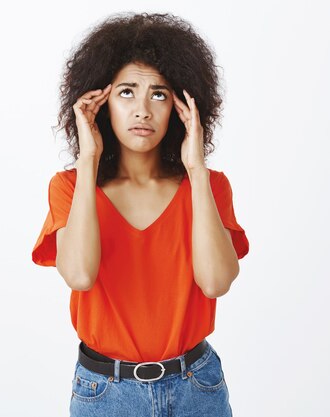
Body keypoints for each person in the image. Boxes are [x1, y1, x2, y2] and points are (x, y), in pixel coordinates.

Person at [31, 12, 250, 416]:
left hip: (196, 389)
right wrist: (88, 159)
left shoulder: (209, 185)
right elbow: (79, 274)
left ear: (183, 108)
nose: (143, 110)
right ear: (100, 102)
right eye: (127, 92)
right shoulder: (70, 188)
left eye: (160, 94)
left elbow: (217, 282)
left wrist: (197, 170)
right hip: (105, 394)